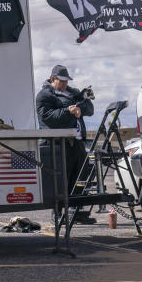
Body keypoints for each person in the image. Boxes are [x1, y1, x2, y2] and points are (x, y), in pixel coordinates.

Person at [35, 64, 95, 224]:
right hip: (58, 144)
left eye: (66, 81)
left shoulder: (73, 92)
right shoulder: (44, 95)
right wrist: (69, 111)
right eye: (62, 81)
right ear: (53, 79)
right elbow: (48, 117)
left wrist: (80, 106)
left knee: (79, 177)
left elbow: (90, 108)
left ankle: (75, 211)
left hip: (76, 143)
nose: (65, 84)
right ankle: (57, 214)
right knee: (60, 181)